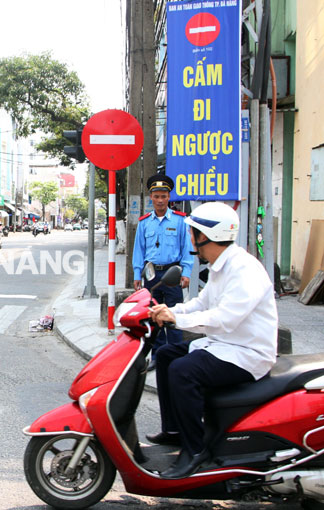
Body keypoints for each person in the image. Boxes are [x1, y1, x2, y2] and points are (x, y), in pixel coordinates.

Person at [146, 202, 278, 479]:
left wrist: (176, 319)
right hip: (223, 345)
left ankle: (195, 450)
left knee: (184, 371)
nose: (190, 237)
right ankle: (174, 430)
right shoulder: (221, 266)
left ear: (206, 235)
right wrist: (164, 310)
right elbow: (200, 304)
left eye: (193, 232)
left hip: (246, 353)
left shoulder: (244, 269)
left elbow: (225, 318)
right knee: (169, 355)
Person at [132, 173, 194, 370]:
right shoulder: (144, 223)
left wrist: (187, 272)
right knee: (154, 317)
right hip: (151, 275)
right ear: (151, 197)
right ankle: (158, 356)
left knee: (173, 315)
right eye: (156, 196)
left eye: (164, 196)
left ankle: (176, 356)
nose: (160, 200)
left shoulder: (180, 221)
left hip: (173, 273)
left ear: (169, 198)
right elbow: (138, 250)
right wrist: (136, 274)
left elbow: (186, 249)